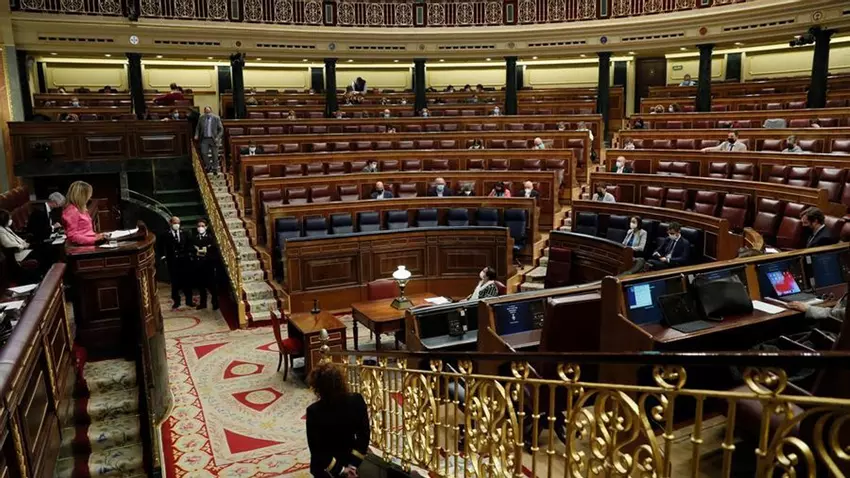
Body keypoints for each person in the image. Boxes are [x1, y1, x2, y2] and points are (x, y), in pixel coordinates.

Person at [306, 362, 370, 478]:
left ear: (317, 388)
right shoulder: (357, 400)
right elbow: (364, 436)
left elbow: (317, 450)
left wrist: (341, 470)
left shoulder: (313, 411)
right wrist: (352, 466)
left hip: (326, 468)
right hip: (350, 458)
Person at [160, 216, 194, 309]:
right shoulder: (165, 235)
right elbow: (161, 247)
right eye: (175, 223)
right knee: (175, 283)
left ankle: (189, 301)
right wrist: (163, 257)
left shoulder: (185, 233)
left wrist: (189, 256)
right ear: (170, 223)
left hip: (184, 261)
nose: (177, 225)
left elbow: (189, 245)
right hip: (173, 261)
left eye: (178, 223)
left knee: (187, 281)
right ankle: (176, 301)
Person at [62, 181, 104, 245]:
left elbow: (84, 231)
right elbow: (72, 236)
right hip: (79, 247)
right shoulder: (72, 210)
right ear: (82, 195)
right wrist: (94, 239)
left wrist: (96, 236)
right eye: (88, 194)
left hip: (86, 245)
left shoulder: (80, 209)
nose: (90, 197)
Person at [191, 219, 218, 310]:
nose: (200, 228)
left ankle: (215, 302)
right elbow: (192, 250)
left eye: (202, 226)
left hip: (208, 265)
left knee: (212, 285)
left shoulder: (211, 238)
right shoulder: (194, 238)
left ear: (206, 227)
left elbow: (214, 251)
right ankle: (203, 303)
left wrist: (207, 253)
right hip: (199, 265)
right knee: (201, 285)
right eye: (199, 226)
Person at [195, 106, 224, 174]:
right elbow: (198, 128)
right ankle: (208, 166)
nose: (207, 113)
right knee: (204, 153)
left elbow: (221, 129)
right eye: (206, 112)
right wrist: (196, 135)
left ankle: (215, 168)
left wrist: (218, 137)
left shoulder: (216, 118)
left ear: (211, 111)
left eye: (209, 112)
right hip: (204, 139)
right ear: (204, 112)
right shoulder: (201, 118)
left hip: (214, 139)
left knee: (215, 155)